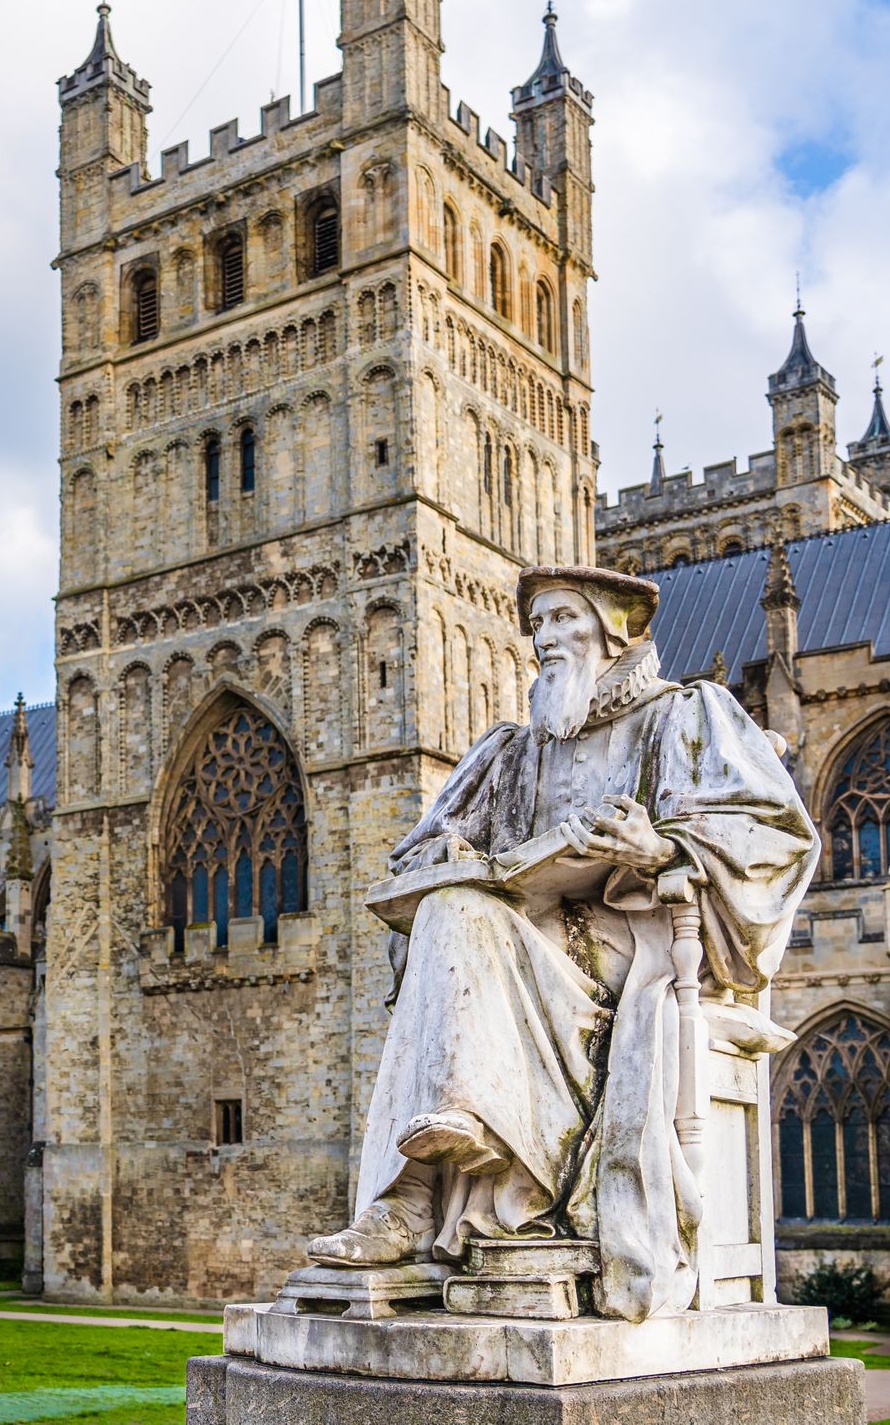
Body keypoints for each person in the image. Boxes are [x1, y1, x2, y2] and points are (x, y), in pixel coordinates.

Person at [309, 565, 816, 1321]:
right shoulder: (511, 751)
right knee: (452, 906)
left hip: (637, 946)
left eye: (560, 619)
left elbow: (777, 836)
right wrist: (447, 851)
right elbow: (412, 855)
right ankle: (420, 1182)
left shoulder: (686, 715)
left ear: (614, 628)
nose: (542, 638)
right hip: (518, 935)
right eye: (537, 624)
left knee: (464, 921)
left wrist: (663, 847)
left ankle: (423, 1190)